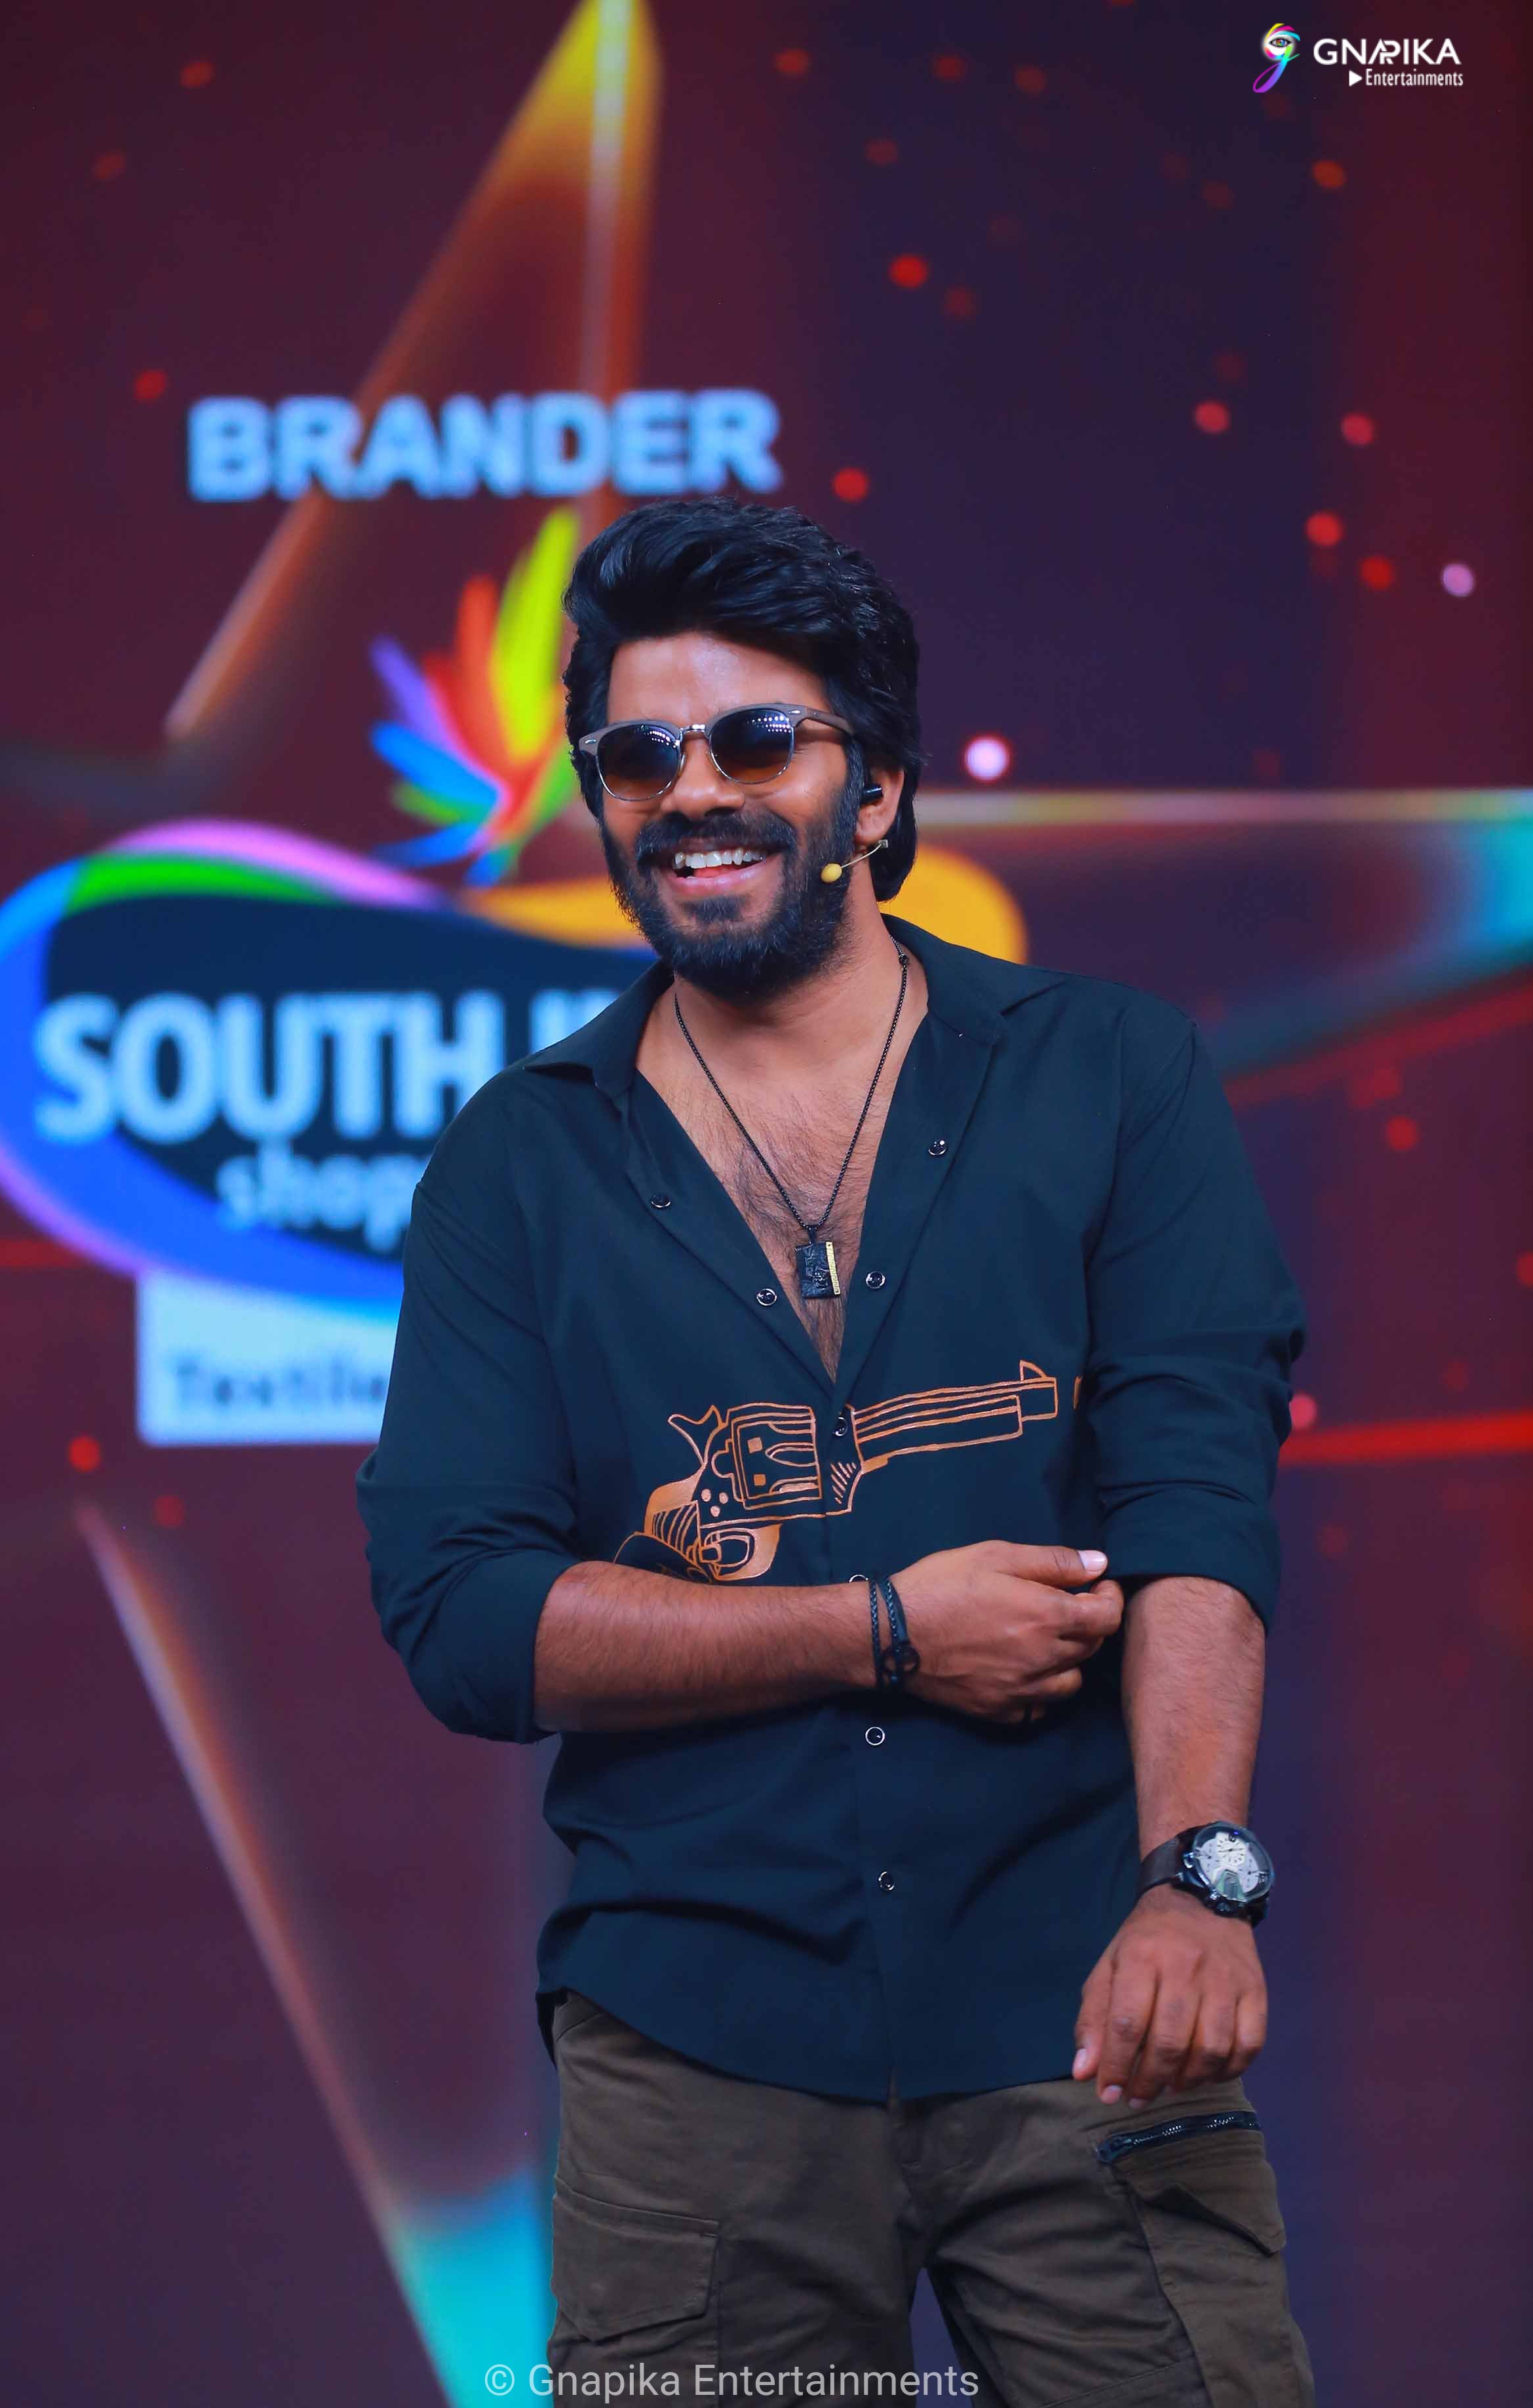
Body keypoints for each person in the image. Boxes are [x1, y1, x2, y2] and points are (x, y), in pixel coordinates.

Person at [357, 497, 1315, 2407]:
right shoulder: (517, 1161)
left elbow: (1195, 1504)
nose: (693, 792)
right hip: (694, 2051)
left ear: (873, 788)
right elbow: (461, 1617)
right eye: (639, 756)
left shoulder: (1109, 1074)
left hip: (1087, 1999)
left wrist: (1195, 1882)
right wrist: (879, 1629)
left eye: (755, 741)